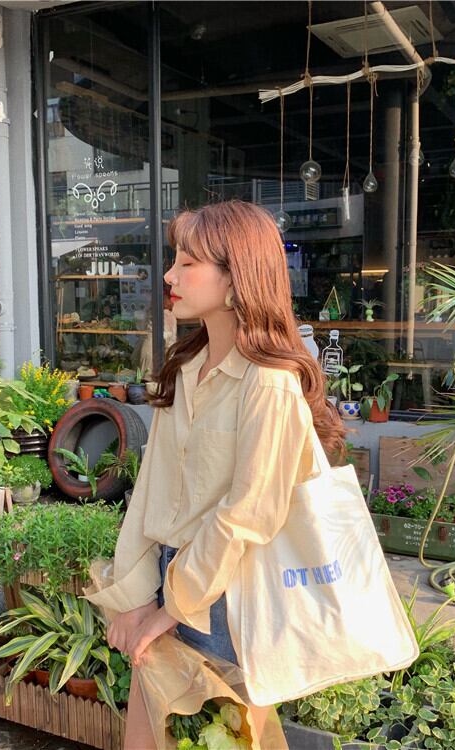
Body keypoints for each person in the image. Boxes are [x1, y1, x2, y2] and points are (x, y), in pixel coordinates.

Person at [103, 200, 345, 749]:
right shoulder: (185, 370)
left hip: (236, 596)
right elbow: (151, 496)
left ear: (237, 278)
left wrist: (168, 610)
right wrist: (136, 595)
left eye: (187, 263)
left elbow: (248, 515)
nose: (170, 276)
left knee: (233, 737)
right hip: (173, 579)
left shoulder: (269, 383)